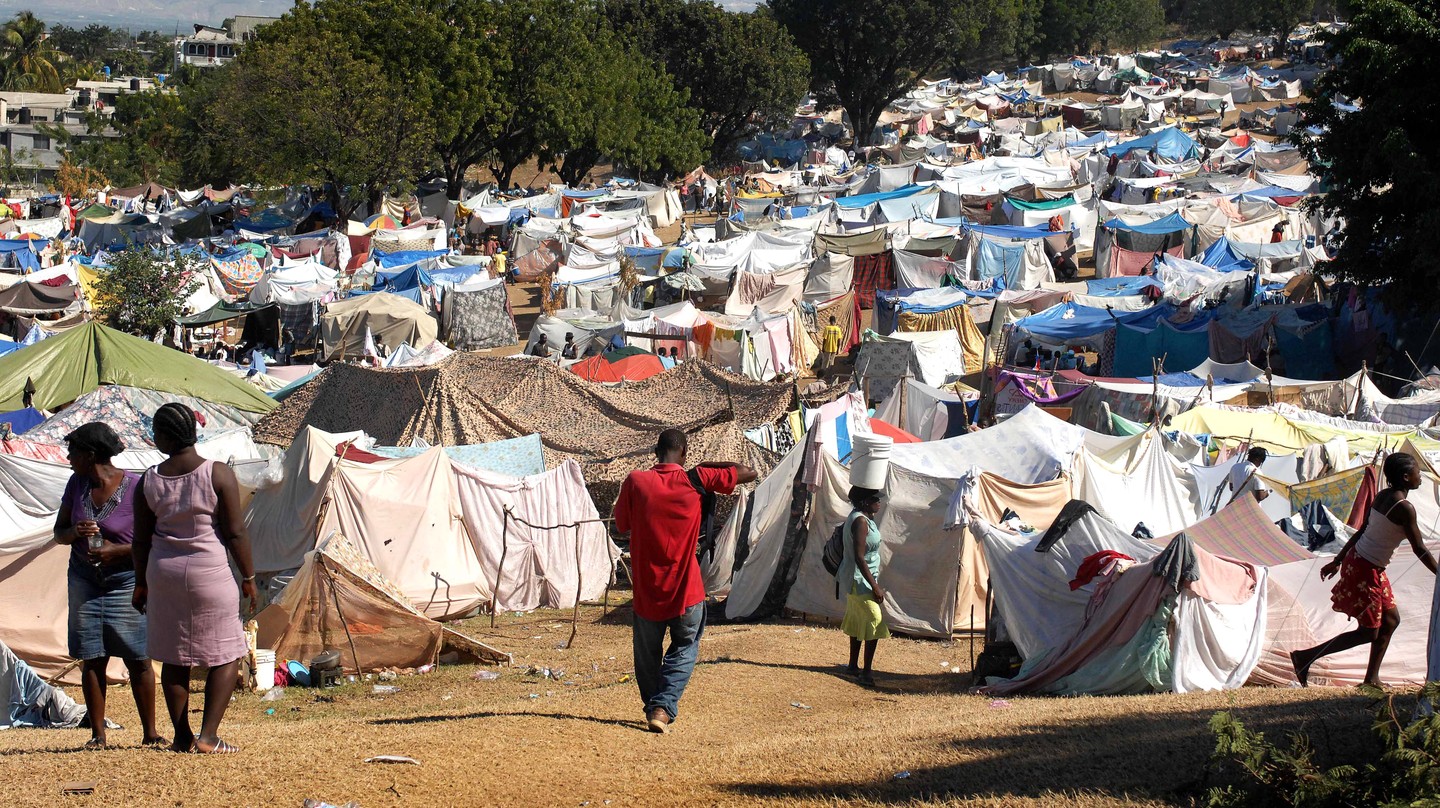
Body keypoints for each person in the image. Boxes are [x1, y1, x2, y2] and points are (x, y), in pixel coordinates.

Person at [612, 429, 756, 733]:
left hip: (648, 591)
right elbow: (748, 472)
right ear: (685, 453)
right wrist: (708, 463)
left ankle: (655, 705)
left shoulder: (636, 481)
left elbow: (622, 524)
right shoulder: (698, 477)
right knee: (686, 647)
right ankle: (663, 708)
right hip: (687, 591)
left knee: (647, 657)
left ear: (656, 451)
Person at [133, 404, 257, 754]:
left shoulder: (149, 480)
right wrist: (248, 576)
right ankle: (208, 736)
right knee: (228, 652)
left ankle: (182, 736)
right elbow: (235, 533)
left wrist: (140, 584)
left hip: (164, 574)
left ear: (164, 437)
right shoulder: (217, 474)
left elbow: (140, 540)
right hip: (210, 573)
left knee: (174, 657)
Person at [53, 423, 164, 749]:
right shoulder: (77, 485)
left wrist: (117, 551)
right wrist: (75, 531)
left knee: (138, 657)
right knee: (92, 656)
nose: (69, 458)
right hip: (85, 580)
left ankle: (151, 733)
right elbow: (59, 533)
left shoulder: (136, 487)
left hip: (126, 581)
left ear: (90, 455)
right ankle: (98, 734)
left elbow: (155, 540)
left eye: (73, 452)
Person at [1290, 454, 1438, 687]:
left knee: (1390, 622)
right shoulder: (1404, 508)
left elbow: (1362, 531)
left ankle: (1371, 679)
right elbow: (1419, 548)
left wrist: (1339, 559)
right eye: (1418, 472)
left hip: (1364, 564)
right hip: (1365, 569)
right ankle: (1304, 657)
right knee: (1369, 631)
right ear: (1406, 477)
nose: (1421, 476)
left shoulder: (1383, 496)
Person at [838, 486, 889, 686]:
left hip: (858, 577)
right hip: (859, 579)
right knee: (874, 620)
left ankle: (852, 665)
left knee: (858, 618)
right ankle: (866, 672)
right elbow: (859, 557)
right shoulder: (860, 521)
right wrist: (875, 586)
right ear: (865, 502)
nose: (879, 502)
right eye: (875, 499)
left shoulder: (864, 518)